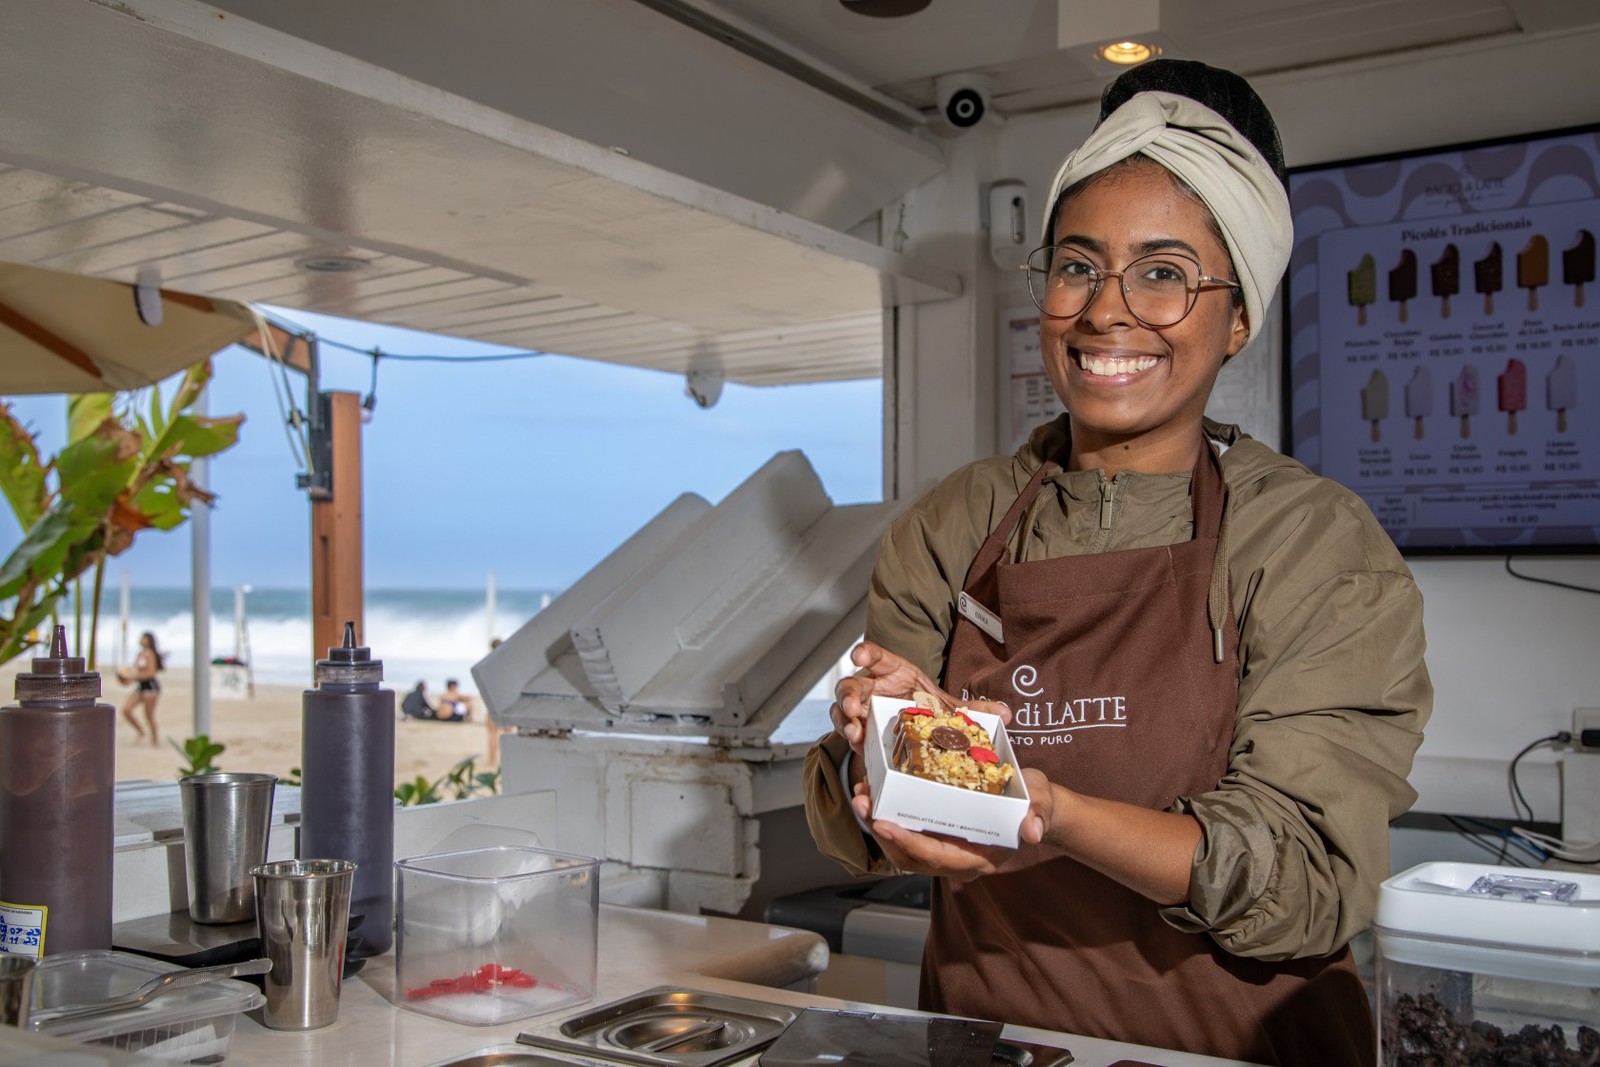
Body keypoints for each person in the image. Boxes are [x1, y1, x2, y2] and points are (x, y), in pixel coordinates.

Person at [802, 60, 1431, 1067]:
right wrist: (877, 748)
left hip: (1233, 1049)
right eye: (1077, 265)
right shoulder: (954, 521)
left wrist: (1049, 810)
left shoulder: (1312, 542)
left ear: (1236, 320)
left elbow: (1304, 881)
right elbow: (856, 811)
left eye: (1164, 273)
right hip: (987, 1042)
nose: (1107, 310)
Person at [117, 631, 165, 748]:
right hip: (140, 686)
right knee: (126, 710)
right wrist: (127, 678)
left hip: (150, 687)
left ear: (148, 640)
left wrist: (134, 677)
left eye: (143, 638)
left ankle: (155, 742)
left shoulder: (151, 654)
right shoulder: (140, 654)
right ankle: (140, 731)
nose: (141, 640)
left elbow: (150, 672)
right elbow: (136, 671)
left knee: (149, 716)